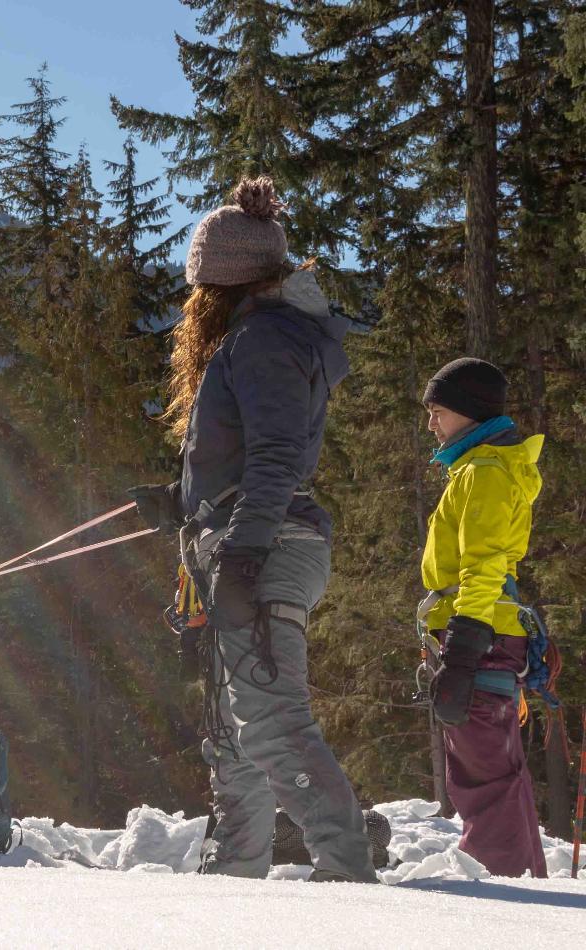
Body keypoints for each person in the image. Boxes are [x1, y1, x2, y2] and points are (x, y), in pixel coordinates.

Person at [132, 177, 376, 882]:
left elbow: (276, 455)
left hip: (263, 545)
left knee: (269, 724)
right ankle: (232, 888)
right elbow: (254, 453)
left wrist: (239, 553)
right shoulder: (263, 335)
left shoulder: (265, 340)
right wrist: (183, 500)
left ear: (219, 284)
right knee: (237, 737)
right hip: (251, 536)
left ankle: (349, 872)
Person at [420, 357, 547, 878]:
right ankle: (523, 887)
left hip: (482, 635)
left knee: (484, 775)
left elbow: (485, 563)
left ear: (469, 412)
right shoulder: (477, 467)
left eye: (439, 410)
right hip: (485, 631)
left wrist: (463, 650)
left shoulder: (485, 472)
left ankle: (507, 898)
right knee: (493, 769)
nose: (431, 422)